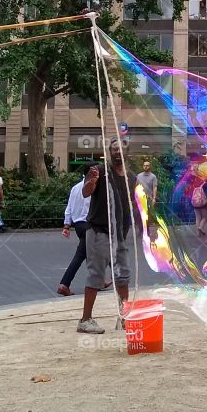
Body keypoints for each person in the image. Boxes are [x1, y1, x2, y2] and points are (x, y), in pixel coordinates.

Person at [78, 142, 131, 335]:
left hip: (119, 237)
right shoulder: (100, 171)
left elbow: (130, 206)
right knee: (96, 275)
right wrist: (91, 181)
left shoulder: (130, 178)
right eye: (114, 149)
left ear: (127, 152)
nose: (118, 152)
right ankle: (85, 320)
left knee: (122, 277)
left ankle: (124, 317)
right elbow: (85, 192)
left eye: (121, 149)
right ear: (109, 152)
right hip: (99, 232)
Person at [57, 167, 94, 297]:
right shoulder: (93, 187)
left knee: (94, 253)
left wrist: (66, 225)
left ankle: (98, 281)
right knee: (82, 255)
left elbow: (69, 207)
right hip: (89, 225)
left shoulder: (75, 188)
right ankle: (64, 284)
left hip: (78, 225)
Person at [135, 158, 158, 235]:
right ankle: (141, 229)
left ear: (150, 166)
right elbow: (136, 186)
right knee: (138, 215)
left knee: (147, 215)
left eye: (147, 165)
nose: (146, 167)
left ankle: (147, 230)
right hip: (139, 198)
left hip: (148, 199)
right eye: (144, 165)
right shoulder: (139, 175)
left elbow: (154, 187)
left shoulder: (153, 177)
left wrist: (154, 198)